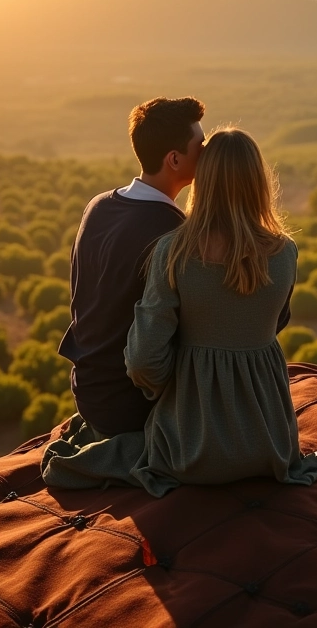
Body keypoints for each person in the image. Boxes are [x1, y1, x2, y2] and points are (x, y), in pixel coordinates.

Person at [42, 127, 317, 495]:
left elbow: (143, 360)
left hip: (190, 447)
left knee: (79, 458)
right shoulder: (286, 253)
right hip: (271, 440)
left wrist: (177, 389)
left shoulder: (174, 253)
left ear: (203, 181)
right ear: (260, 181)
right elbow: (275, 324)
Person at [58, 96, 206, 438]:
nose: (207, 151)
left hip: (90, 391)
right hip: (133, 404)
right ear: (174, 159)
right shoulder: (172, 233)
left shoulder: (98, 206)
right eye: (201, 145)